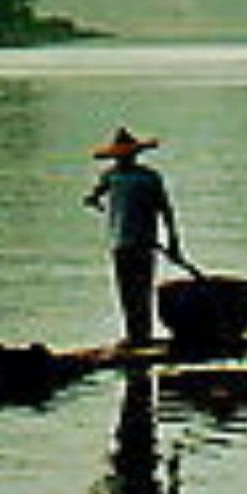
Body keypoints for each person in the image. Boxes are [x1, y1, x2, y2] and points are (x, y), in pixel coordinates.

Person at [84, 127, 186, 348]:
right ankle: (136, 335)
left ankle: (141, 337)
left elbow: (165, 210)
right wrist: (95, 200)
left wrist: (173, 241)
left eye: (125, 155)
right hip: (123, 243)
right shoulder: (114, 176)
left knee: (138, 290)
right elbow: (94, 195)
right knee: (129, 291)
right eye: (120, 156)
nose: (122, 158)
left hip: (139, 243)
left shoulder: (146, 178)